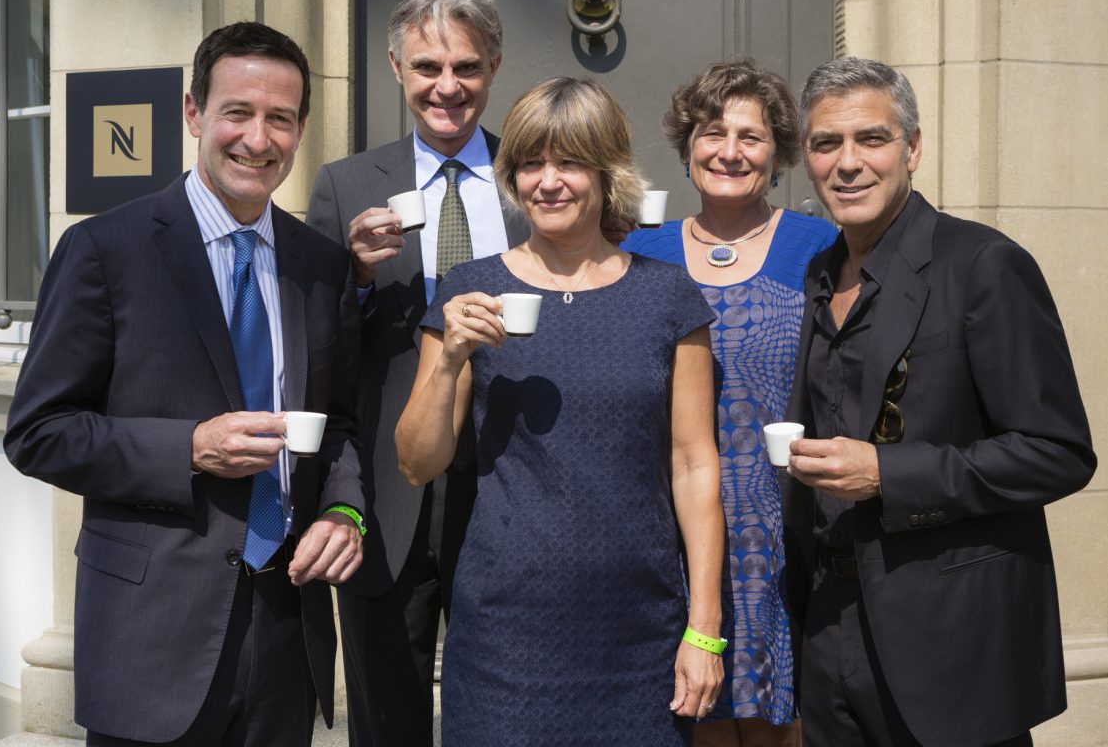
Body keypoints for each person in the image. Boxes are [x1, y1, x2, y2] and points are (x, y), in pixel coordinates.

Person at [4, 22, 365, 746]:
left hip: (285, 627)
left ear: (299, 131)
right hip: (152, 636)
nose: (257, 139)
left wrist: (343, 514)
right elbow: (38, 433)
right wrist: (189, 449)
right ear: (193, 112)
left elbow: (343, 425)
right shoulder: (105, 250)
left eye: (280, 119)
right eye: (237, 111)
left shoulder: (321, 265)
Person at [395, 76, 726, 745]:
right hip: (505, 637)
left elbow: (693, 466)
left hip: (639, 631)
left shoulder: (667, 297)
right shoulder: (470, 289)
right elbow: (415, 462)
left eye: (569, 161)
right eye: (529, 163)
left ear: (607, 172)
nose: (547, 181)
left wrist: (704, 628)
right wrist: (450, 357)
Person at [781, 56, 1096, 747]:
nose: (847, 163)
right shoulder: (818, 273)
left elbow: (1058, 453)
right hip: (830, 626)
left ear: (912, 148)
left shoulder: (982, 265)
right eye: (825, 143)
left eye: (871, 139)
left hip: (948, 644)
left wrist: (886, 474)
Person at [306, 0, 528, 746]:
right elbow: (313, 347)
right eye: (427, 67)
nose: (447, 87)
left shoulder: (534, 181)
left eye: (465, 66)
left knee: (502, 705)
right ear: (395, 67)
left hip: (512, 479)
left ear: (493, 67)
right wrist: (357, 278)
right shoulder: (342, 187)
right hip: (387, 488)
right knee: (386, 714)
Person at [623, 60, 837, 747]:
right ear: (686, 147)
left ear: (778, 156)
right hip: (673, 529)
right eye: (712, 133)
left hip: (789, 529)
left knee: (787, 723)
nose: (730, 151)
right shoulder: (639, 253)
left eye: (751, 136)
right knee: (696, 725)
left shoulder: (822, 249)